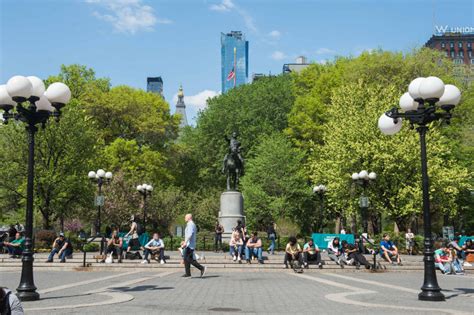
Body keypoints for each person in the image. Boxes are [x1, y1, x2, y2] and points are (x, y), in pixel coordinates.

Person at [182, 214, 206, 278]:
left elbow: (190, 234)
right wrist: (185, 242)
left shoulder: (190, 224)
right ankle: (188, 273)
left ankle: (202, 268)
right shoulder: (190, 224)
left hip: (190, 245)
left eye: (185, 217)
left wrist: (185, 243)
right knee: (186, 259)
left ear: (189, 218)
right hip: (189, 244)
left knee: (189, 259)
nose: (184, 218)